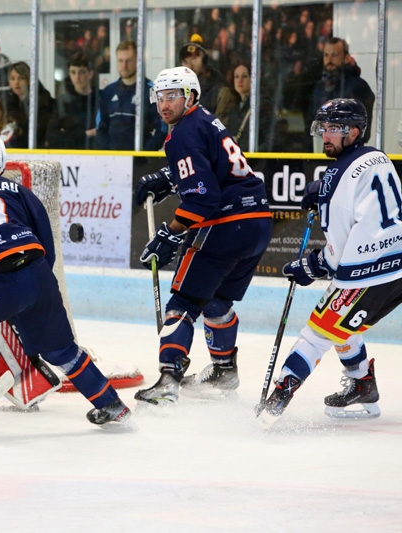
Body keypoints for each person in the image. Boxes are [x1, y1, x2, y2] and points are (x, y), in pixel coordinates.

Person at [0, 133, 132, 433]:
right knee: (61, 350)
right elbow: (46, 244)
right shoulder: (20, 191)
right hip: (37, 275)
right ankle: (111, 404)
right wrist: (28, 290)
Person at [131, 67, 272, 404]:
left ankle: (168, 378)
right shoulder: (205, 120)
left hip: (226, 223)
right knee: (216, 300)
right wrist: (170, 176)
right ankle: (224, 371)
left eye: (172, 96)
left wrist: (172, 232)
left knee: (183, 301)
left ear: (190, 96)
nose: (164, 104)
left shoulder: (182, 132)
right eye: (160, 97)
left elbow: (204, 198)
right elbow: (212, 164)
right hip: (258, 222)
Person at [260, 99, 402, 420]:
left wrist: (309, 266)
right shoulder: (378, 157)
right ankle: (363, 383)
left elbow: (337, 258)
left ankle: (275, 403)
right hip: (399, 266)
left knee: (316, 334)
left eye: (334, 129)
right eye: (323, 127)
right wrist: (322, 187)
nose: (326, 135)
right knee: (345, 322)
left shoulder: (335, 178)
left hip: (370, 273)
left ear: (354, 132)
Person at [96, 40, 164, 151]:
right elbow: (101, 128)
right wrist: (107, 154)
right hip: (112, 162)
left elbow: (162, 128)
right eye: (120, 61)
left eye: (128, 61)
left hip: (140, 164)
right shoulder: (108, 92)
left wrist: (143, 155)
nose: (124, 65)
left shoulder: (151, 91)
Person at [310, 37, 375, 144]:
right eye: (326, 55)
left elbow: (363, 130)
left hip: (349, 152)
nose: (329, 60)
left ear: (346, 58)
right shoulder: (319, 87)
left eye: (334, 55)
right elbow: (311, 122)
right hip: (321, 153)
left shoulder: (358, 86)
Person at [215, 63, 276, 151]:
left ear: (253, 79)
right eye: (236, 76)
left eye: (244, 76)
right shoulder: (234, 107)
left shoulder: (262, 105)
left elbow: (270, 140)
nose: (239, 80)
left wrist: (253, 155)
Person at [45, 51, 97, 150]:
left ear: (90, 74)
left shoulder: (101, 98)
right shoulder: (63, 101)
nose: (77, 77)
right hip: (71, 157)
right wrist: (88, 133)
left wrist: (68, 134)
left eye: (81, 72)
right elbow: (52, 136)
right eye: (73, 72)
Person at [5, 62, 54, 149]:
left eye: (21, 78)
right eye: (12, 78)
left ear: (29, 80)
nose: (16, 82)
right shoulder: (8, 103)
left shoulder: (43, 102)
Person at [179, 39, 226, 113]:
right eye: (185, 62)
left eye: (194, 59)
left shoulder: (220, 90)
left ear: (205, 61)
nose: (190, 66)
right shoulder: (180, 88)